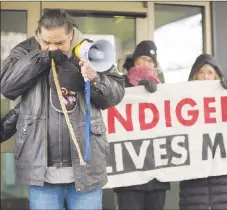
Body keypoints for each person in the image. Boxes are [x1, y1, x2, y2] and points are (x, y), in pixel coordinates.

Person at [0, 9, 125, 210]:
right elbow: (6, 86)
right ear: (38, 34)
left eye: (59, 43)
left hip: (86, 168)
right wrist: (42, 57)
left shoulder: (90, 50)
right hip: (42, 172)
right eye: (46, 42)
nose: (53, 48)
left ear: (72, 35)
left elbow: (116, 94)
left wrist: (95, 79)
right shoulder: (25, 50)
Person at [179, 54, 227, 210]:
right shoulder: (181, 101)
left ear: (216, 76)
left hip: (222, 179)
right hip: (194, 177)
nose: (206, 77)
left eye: (210, 73)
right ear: (195, 75)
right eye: (202, 72)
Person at [114, 40, 169, 210]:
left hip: (156, 173)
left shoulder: (164, 88)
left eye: (150, 61)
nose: (146, 64)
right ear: (134, 60)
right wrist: (134, 88)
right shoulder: (120, 84)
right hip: (129, 172)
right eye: (142, 59)